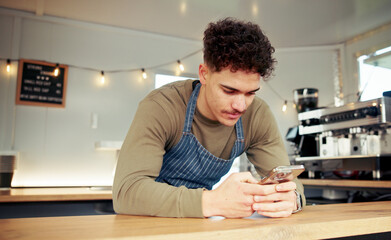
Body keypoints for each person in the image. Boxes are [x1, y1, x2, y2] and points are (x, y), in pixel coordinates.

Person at [113, 17, 305, 218]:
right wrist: (214, 202)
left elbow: (290, 183)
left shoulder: (257, 115)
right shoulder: (161, 106)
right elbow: (127, 192)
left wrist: (293, 199)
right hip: (145, 219)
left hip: (201, 221)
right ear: (204, 74)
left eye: (250, 93)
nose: (240, 106)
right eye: (229, 90)